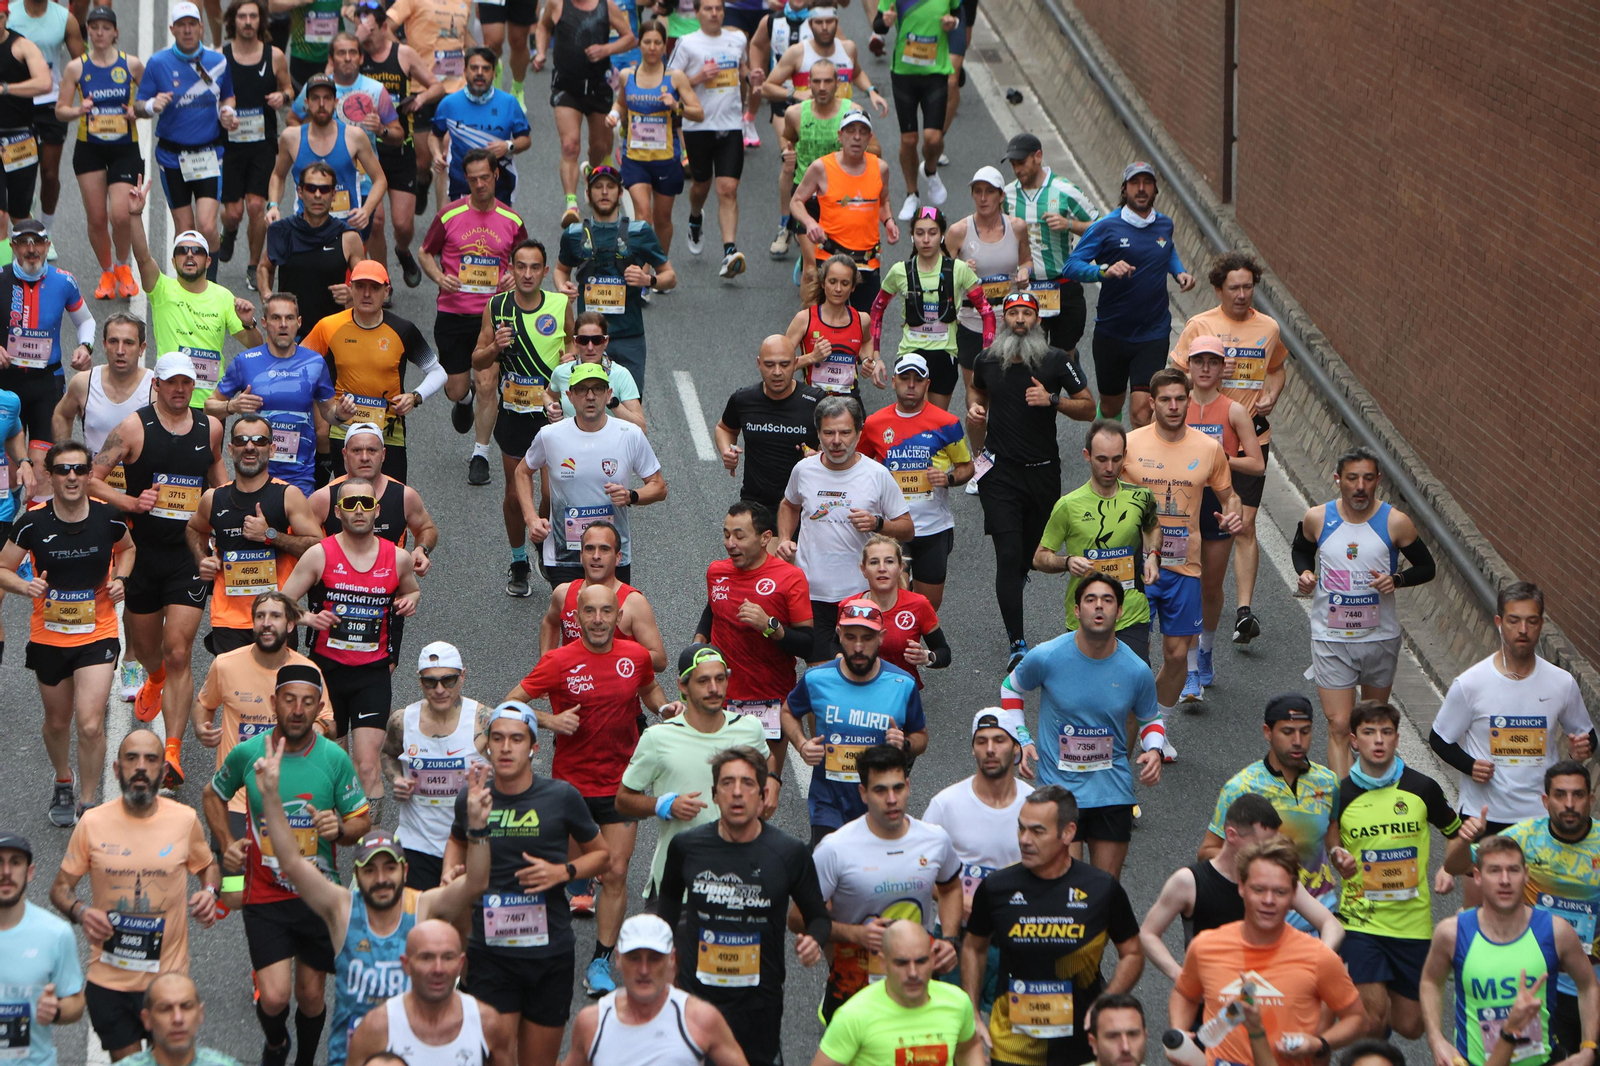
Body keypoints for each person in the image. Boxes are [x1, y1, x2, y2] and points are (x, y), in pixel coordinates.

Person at [255, 732, 491, 1066]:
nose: (381, 879)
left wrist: (478, 829)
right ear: (358, 876)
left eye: (389, 868)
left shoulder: (423, 906)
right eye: (370, 870)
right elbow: (292, 863)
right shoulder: (342, 910)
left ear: (405, 871)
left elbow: (477, 882)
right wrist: (270, 796)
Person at [203, 663, 371, 1066]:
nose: (297, 710)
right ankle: (276, 1043)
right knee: (276, 996)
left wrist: (341, 829)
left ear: (319, 709)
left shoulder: (333, 758)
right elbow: (213, 795)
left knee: (311, 996)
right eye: (290, 701)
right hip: (263, 891)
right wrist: (226, 842)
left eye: (308, 703)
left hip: (317, 895)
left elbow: (361, 820)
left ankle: (304, 1061)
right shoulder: (249, 751)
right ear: (274, 702)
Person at [508, 584, 673, 993]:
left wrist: (664, 707)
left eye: (606, 612)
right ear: (576, 618)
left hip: (621, 785)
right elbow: (511, 706)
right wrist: (549, 721)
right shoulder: (558, 661)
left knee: (616, 871)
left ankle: (600, 961)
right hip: (569, 789)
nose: (598, 620)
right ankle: (560, 921)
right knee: (563, 869)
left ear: (618, 618)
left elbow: (648, 687)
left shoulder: (634, 656)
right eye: (589, 613)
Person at [438, 703, 609, 1066]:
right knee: (494, 1058)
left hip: (549, 952)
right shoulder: (473, 797)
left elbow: (601, 856)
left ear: (533, 747)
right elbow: (457, 838)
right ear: (487, 746)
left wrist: (563, 872)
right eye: (497, 738)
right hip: (491, 952)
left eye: (516, 739)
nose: (505, 747)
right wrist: (451, 868)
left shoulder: (562, 797)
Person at [89, 353, 228, 789]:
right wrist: (131, 504)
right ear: (158, 385)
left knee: (180, 650)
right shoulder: (133, 427)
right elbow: (92, 478)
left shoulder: (211, 429)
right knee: (151, 651)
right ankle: (154, 678)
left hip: (188, 554)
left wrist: (226, 527)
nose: (180, 390)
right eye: (171, 383)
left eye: (187, 383)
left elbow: (218, 483)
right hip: (143, 555)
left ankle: (172, 751)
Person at [49, 731, 219, 1062]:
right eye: (131, 759)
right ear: (116, 769)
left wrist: (210, 893)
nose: (140, 767)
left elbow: (207, 867)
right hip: (109, 981)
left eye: (151, 759)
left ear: (162, 771)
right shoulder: (92, 823)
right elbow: (59, 889)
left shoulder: (184, 820)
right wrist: (82, 912)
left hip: (167, 983)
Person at [654, 745, 829, 1066]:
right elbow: (666, 904)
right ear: (714, 794)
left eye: (747, 784)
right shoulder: (687, 847)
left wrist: (813, 941)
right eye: (727, 783)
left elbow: (818, 917)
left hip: (758, 1002)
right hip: (697, 995)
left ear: (763, 795)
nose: (737, 793)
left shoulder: (788, 853)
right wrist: (666, 958)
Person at [961, 785, 1144, 1066]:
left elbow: (1132, 953)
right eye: (1021, 829)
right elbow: (974, 948)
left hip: (1080, 1047)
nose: (1024, 840)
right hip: (1013, 1048)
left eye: (1037, 831)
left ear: (1068, 833)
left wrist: (1106, 1002)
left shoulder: (1101, 888)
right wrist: (972, 1012)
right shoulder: (997, 888)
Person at [0, 440, 131, 825]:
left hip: (98, 631)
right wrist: (24, 587)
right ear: (51, 477)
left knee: (90, 722)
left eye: (78, 469)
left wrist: (121, 578)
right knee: (58, 722)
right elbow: (3, 568)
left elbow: (127, 549)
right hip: (50, 635)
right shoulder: (32, 522)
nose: (72, 477)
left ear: (90, 474)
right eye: (63, 470)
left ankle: (89, 802)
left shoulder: (109, 518)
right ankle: (63, 779)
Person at [999, 573, 1160, 876]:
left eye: (1108, 600)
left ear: (1120, 612)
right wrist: (1021, 738)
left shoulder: (1136, 670)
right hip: (1059, 794)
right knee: (1065, 888)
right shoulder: (1048, 656)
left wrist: (1154, 751)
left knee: (1103, 894)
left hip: (1112, 793)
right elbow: (1011, 688)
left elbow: (1150, 718)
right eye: (1090, 600)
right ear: (1077, 611)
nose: (1099, 607)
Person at [965, 292, 1093, 667]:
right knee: (1007, 555)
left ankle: (1021, 571)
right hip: (999, 474)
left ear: (1037, 320)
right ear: (1004, 319)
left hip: (1042, 473)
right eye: (1013, 313)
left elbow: (1089, 408)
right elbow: (978, 388)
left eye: (1027, 313)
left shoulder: (1056, 361)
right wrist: (976, 408)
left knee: (1032, 554)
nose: (1020, 319)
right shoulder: (987, 359)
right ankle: (1017, 643)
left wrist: (1052, 400)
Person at [281, 474, 423, 807]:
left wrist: (412, 599)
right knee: (330, 763)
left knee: (368, 765)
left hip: (372, 674)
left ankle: (369, 848)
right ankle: (324, 836)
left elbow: (412, 588)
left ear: (377, 510)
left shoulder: (398, 557)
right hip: (326, 672)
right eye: (349, 504)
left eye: (366, 504)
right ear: (338, 514)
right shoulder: (319, 555)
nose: (358, 511)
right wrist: (307, 618)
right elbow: (281, 601)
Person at [1292, 447, 1435, 775]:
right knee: (1340, 724)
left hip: (1379, 639)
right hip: (1331, 638)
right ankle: (1344, 801)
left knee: (1372, 725)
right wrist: (1305, 573)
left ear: (1378, 481)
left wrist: (1396, 579)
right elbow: (1301, 548)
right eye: (1352, 478)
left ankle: (1371, 784)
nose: (1360, 486)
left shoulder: (1396, 522)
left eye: (1368, 479)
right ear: (1338, 480)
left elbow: (1427, 567)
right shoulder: (1318, 517)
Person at [1327, 701, 1465, 1041]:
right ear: (1354, 741)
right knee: (1372, 1020)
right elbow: (1331, 846)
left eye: (1386, 732)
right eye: (1369, 732)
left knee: (1411, 1026)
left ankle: (1359, 1014)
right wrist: (1337, 858)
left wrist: (1449, 867)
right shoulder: (1340, 795)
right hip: (1360, 922)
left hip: (1412, 927)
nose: (1379, 740)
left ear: (1397, 739)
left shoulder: (1422, 789)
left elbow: (1456, 834)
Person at [1170, 251, 1289, 645]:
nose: (1242, 295)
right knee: (1200, 522)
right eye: (1234, 287)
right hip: (1200, 439)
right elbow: (1174, 375)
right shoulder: (1200, 325)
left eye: (1248, 287)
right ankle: (1195, 596)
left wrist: (1271, 394)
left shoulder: (1268, 327)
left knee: (1246, 524)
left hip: (1248, 436)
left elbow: (1276, 368)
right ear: (1219, 289)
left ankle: (1243, 612)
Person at [1443, 761, 1600, 1057]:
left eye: (1578, 795)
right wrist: (1465, 839)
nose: (1569, 804)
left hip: (1591, 979)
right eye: (1560, 795)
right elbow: (1456, 865)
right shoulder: (1525, 838)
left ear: (1591, 799)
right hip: (1541, 982)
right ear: (1545, 800)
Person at [1171, 838, 1366, 1066]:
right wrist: (1179, 1031)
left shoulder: (1318, 956)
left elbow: (1357, 1019)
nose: (1268, 901)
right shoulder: (1206, 946)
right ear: (1242, 887)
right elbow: (1185, 994)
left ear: (1294, 894)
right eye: (1259, 889)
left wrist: (1319, 1043)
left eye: (1280, 892)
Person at [1120, 367, 1241, 713]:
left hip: (1185, 567)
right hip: (1136, 566)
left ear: (1188, 401)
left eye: (1179, 399)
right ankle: (1144, 726)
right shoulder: (1130, 445)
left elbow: (1229, 495)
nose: (1173, 406)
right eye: (1165, 399)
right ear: (1152, 404)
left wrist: (1234, 513)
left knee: (1175, 656)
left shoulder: (1208, 448)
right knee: (1132, 656)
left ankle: (1157, 725)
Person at [1430, 581, 1592, 837]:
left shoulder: (1562, 683)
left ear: (1541, 624)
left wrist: (1578, 751)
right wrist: (1470, 765)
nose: (1523, 630)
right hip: (1483, 814)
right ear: (1499, 622)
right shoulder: (1471, 683)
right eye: (1514, 621)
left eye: (1531, 621)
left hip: (1540, 815)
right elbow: (1439, 738)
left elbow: (1587, 736)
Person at [1421, 834, 1600, 1066]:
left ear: (1526, 875)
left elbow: (1588, 984)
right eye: (1494, 871)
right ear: (1477, 876)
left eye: (1513, 870)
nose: (1504, 880)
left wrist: (1588, 1047)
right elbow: (1430, 982)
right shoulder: (1452, 933)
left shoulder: (1556, 931)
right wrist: (1436, 1039)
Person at [813, 745, 961, 1021]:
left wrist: (950, 940)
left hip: (917, 979)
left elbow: (951, 887)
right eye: (880, 791)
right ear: (863, 793)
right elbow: (799, 918)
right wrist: (855, 935)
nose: (891, 799)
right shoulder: (835, 848)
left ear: (908, 786)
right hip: (854, 986)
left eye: (898, 788)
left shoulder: (935, 840)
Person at [617, 644, 773, 901]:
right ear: (683, 685)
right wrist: (663, 805)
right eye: (703, 681)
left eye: (720, 679)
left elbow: (764, 776)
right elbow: (623, 801)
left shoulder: (750, 730)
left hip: (738, 883)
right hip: (677, 885)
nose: (714, 689)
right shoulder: (658, 738)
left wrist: (770, 787)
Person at [1140, 794, 1343, 982]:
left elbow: (1331, 925)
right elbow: (1148, 933)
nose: (1267, 852)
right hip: (1208, 1003)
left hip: (1264, 1000)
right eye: (1261, 844)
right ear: (1231, 835)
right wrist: (1181, 977)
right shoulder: (1189, 882)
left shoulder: (1277, 881)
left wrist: (1315, 965)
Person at [417, 148, 528, 486]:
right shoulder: (450, 215)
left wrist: (513, 274)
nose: (480, 184)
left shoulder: (511, 220)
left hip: (494, 315)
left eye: (485, 177)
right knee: (456, 387)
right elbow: (424, 252)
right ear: (466, 180)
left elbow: (525, 259)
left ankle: (480, 454)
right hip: (453, 313)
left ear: (496, 175)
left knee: (488, 384)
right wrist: (439, 278)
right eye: (473, 178)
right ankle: (461, 401)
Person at [470, 238, 574, 593]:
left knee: (549, 492)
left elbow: (572, 345)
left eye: (535, 268)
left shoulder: (560, 305)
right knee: (515, 496)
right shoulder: (497, 306)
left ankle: (542, 540)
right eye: (521, 267)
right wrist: (494, 347)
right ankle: (518, 560)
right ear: (511, 270)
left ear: (545, 272)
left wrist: (570, 359)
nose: (527, 274)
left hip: (551, 414)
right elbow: (477, 360)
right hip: (514, 415)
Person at [191, 590, 335, 843]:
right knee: (234, 879)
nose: (266, 622)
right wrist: (201, 728)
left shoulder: (307, 671)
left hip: (290, 798)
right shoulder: (225, 665)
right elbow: (204, 703)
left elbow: (328, 720)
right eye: (260, 616)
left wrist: (319, 729)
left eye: (275, 616)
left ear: (290, 624)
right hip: (237, 800)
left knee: (285, 878)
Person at [776, 395, 910, 662]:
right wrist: (783, 537)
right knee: (820, 673)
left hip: (860, 594)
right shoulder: (804, 470)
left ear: (859, 433)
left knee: (859, 668)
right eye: (829, 433)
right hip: (811, 593)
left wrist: (878, 524)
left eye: (845, 432)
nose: (836, 441)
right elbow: (789, 505)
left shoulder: (877, 474)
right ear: (818, 434)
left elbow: (907, 528)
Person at [781, 599, 928, 844]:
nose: (858, 647)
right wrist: (802, 745)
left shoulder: (902, 684)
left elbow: (921, 737)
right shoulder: (817, 679)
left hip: (880, 804)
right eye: (850, 637)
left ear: (881, 637)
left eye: (867, 638)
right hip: (828, 804)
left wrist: (905, 744)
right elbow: (788, 712)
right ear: (839, 635)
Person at [1063, 162, 1195, 426]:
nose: (1142, 189)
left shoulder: (1164, 225)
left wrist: (1179, 272)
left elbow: (1166, 249)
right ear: (1124, 189)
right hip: (1113, 333)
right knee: (1111, 408)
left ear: (1156, 190)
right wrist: (1103, 270)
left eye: (1147, 183)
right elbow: (1072, 266)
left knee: (1142, 411)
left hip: (1153, 333)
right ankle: (1106, 452)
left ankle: (1137, 466)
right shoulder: (1105, 227)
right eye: (1135, 183)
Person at [514, 362, 666, 587]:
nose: (590, 396)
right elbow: (522, 472)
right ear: (569, 396)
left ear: (609, 394)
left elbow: (658, 486)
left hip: (612, 554)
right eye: (581, 390)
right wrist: (531, 518)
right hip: (564, 554)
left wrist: (632, 496)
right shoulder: (550, 436)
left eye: (598, 389)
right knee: (571, 620)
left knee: (608, 620)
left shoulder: (629, 434)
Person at [185, 413, 324, 654]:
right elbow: (194, 528)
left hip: (277, 616)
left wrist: (271, 535)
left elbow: (318, 548)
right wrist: (202, 558)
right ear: (230, 449)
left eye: (259, 440)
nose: (250, 447)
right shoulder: (214, 498)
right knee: (234, 692)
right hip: (228, 620)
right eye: (241, 441)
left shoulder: (288, 495)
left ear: (271, 449)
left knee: (275, 689)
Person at [1202, 694, 1342, 930]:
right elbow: (1208, 852)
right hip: (1264, 917)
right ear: (1268, 732)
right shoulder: (1241, 788)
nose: (1298, 741)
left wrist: (1339, 854)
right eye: (1287, 732)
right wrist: (1257, 869)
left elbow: (1331, 835)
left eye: (1305, 731)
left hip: (1320, 914)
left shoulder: (1328, 782)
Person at [300, 261, 447, 482]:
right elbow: (298, 365)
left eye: (374, 287)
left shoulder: (403, 329)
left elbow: (438, 372)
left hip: (389, 432)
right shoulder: (328, 326)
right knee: (351, 502)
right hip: (345, 429)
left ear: (386, 291)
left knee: (390, 504)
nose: (366, 294)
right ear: (350, 288)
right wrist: (326, 401)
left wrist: (415, 397)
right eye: (360, 286)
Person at [126, 178, 264, 407]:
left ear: (208, 260)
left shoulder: (223, 296)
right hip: (168, 400)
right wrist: (135, 215)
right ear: (173, 260)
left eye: (197, 251)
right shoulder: (162, 289)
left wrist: (249, 323)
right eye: (182, 251)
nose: (189, 255)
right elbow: (142, 257)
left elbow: (257, 346)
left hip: (211, 404)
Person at [920, 707, 1027, 994]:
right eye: (981, 741)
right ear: (973, 750)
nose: (990, 749)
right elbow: (919, 869)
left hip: (1015, 935)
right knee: (960, 1024)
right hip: (957, 935)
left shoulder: (1034, 805)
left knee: (1009, 1031)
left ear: (1016, 749)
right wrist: (960, 902)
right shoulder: (946, 805)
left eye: (999, 740)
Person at [1034, 419, 1159, 661]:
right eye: (1102, 459)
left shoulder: (1141, 497)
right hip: (1085, 617)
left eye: (1116, 459)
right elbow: (1040, 558)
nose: (1110, 468)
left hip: (1131, 613)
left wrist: (1153, 555)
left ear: (1125, 455)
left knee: (1129, 689)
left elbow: (1153, 528)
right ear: (1087, 456)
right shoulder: (1068, 506)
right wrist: (1067, 562)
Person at [135, 4, 241, 277]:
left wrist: (228, 112)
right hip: (173, 157)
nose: (187, 30)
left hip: (207, 154)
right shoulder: (158, 63)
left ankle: (212, 285)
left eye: (192, 24)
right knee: (185, 232)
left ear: (201, 26)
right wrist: (151, 106)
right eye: (181, 25)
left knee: (206, 227)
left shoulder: (218, 62)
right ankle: (186, 288)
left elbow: (227, 95)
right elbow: (138, 106)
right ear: (172, 30)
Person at [695, 500, 814, 744]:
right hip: (719, 695)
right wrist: (699, 639)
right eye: (727, 535)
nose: (730, 544)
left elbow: (807, 645)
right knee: (721, 778)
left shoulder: (791, 578)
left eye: (740, 536)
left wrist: (770, 625)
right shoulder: (716, 572)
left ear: (765, 538)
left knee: (767, 779)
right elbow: (713, 608)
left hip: (769, 699)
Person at [856, 353, 970, 608]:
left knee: (928, 607)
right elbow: (858, 464)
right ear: (894, 381)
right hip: (893, 529)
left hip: (934, 529)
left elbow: (967, 467)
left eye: (917, 380)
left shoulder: (947, 423)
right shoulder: (875, 424)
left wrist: (948, 478)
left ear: (927, 384)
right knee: (895, 596)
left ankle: (915, 647)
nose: (910, 384)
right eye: (905, 378)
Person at [563, 913, 749, 1066]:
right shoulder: (592, 1023)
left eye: (654, 959)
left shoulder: (701, 1019)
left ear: (671, 960)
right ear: (618, 959)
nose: (644, 970)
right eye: (634, 958)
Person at [207, 294, 349, 494]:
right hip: (253, 473)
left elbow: (329, 415)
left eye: (289, 318)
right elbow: (209, 406)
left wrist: (341, 413)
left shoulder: (315, 362)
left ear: (298, 322)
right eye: (276, 318)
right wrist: (232, 406)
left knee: (295, 526)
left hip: (299, 476)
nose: (283, 324)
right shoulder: (245, 361)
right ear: (264, 323)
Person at [1183, 337, 1263, 691]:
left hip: (1217, 504)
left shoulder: (1234, 410)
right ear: (1189, 366)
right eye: (1198, 361)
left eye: (1212, 362)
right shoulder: (1176, 405)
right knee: (1185, 584)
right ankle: (1187, 670)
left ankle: (1205, 649)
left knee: (1210, 587)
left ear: (1221, 369)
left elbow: (1257, 464)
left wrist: (1218, 459)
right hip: (1181, 505)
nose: (1204, 368)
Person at [379, 641, 490, 890]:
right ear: (420, 681)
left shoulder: (483, 721)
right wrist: (396, 779)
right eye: (430, 682)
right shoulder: (402, 720)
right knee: (420, 922)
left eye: (448, 680)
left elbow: (515, 762)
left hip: (467, 844)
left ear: (462, 677)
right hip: (416, 843)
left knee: (464, 925)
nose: (439, 689)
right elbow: (388, 754)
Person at [554, 164, 675, 389]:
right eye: (598, 187)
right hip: (589, 340)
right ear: (588, 194)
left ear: (620, 193)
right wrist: (563, 287)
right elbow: (561, 269)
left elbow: (669, 275)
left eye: (610, 187)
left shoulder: (640, 232)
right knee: (590, 405)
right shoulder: (574, 234)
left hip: (629, 336)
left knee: (630, 405)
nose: (604, 192)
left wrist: (648, 280)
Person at [56, 5, 144, 300]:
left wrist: (138, 110)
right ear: (88, 32)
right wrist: (77, 110)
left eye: (106, 28)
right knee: (96, 219)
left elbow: (149, 100)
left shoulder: (131, 65)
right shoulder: (76, 68)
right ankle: (107, 272)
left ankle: (123, 266)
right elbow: (60, 110)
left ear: (115, 32)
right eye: (94, 28)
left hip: (124, 149)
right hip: (89, 150)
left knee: (120, 215)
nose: (100, 33)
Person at [353, 0, 443, 285]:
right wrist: (356, 40)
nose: (364, 34)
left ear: (384, 26)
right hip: (367, 151)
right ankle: (383, 282)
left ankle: (402, 251)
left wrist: (420, 99)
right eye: (359, 27)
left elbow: (437, 86)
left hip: (400, 146)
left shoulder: (402, 54)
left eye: (369, 28)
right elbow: (334, 77)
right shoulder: (353, 55)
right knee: (376, 221)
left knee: (403, 225)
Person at [869, 207, 988, 409]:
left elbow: (986, 311)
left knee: (935, 424)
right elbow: (877, 309)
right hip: (911, 353)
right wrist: (876, 356)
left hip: (944, 355)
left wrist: (986, 351)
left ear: (942, 235)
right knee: (911, 419)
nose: (926, 239)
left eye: (932, 233)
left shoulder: (958, 269)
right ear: (912, 236)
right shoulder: (900, 271)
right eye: (920, 233)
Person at [815, 920, 980, 1066]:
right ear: (882, 963)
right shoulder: (854, 1015)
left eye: (921, 961)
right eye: (902, 963)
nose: (913, 972)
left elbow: (969, 1048)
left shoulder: (957, 1003)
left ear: (933, 959)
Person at [666, 0, 751, 278]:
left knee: (728, 189)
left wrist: (751, 76)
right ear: (698, 13)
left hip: (731, 125)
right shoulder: (688, 43)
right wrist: (699, 77)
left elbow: (743, 71)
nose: (714, 13)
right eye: (708, 9)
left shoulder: (737, 39)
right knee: (701, 186)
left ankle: (729, 251)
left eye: (718, 8)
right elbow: (668, 84)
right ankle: (694, 217)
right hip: (698, 126)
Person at [346, 920, 508, 1066]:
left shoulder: (487, 1023)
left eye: (447, 958)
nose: (438, 969)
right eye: (426, 958)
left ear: (460, 964)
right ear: (406, 964)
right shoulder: (377, 1027)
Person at [535, 0, 636, 225]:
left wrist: (606, 49)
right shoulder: (557, 4)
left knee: (601, 146)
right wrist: (541, 52)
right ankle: (571, 205)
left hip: (599, 85)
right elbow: (543, 27)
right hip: (566, 86)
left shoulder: (607, 5)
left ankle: (592, 170)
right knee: (570, 145)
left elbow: (630, 37)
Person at [609, 21, 703, 257]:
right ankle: (644, 272)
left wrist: (677, 105)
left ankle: (660, 264)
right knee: (643, 215)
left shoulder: (676, 78)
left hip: (666, 159)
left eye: (657, 42)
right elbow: (621, 104)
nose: (652, 47)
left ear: (664, 47)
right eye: (647, 42)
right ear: (639, 45)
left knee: (662, 220)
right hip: (635, 158)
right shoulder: (626, 76)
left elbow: (699, 113)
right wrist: (613, 115)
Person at [307, 424, 440, 588]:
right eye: (356, 451)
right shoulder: (324, 498)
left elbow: (427, 528)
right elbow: (301, 542)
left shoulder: (404, 496)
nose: (364, 457)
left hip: (386, 599)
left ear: (383, 454)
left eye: (372, 450)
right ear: (345, 455)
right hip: (334, 600)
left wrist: (421, 549)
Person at [1000, 133, 1097, 357]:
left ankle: (1071, 386)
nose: (1017, 170)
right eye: (1013, 165)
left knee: (1064, 354)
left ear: (1038, 156)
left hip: (1063, 285)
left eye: (1021, 163)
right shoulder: (1006, 195)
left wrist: (1070, 224)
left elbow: (1102, 227)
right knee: (1029, 356)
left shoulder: (1064, 190)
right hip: (1027, 288)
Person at [792, 109, 896, 313]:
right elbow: (796, 200)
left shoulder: (880, 168)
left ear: (870, 137)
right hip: (831, 257)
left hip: (867, 261)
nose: (856, 137)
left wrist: (889, 221)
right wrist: (810, 223)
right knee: (827, 323)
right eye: (850, 131)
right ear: (840, 136)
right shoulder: (821, 167)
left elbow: (883, 201)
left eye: (863, 131)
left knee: (865, 325)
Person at [219, 0, 292, 290]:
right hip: (231, 143)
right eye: (242, 16)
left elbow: (289, 88)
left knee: (256, 206)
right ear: (232, 21)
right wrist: (224, 114)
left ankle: (253, 264)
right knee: (234, 212)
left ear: (260, 21)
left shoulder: (273, 56)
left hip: (263, 142)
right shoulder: (220, 57)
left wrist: (282, 98)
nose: (248, 22)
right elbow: (212, 96)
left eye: (253, 16)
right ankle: (230, 230)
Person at [0, 221, 95, 442]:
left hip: (47, 381)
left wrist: (85, 346)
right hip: (5, 381)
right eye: (24, 243)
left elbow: (86, 321)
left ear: (47, 245)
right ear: (13, 247)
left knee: (46, 469)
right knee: (10, 469)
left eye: (38, 243)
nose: (31, 250)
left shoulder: (64, 281)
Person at [376, 0, 472, 215]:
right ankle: (422, 179)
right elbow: (387, 26)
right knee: (422, 161)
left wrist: (481, 52)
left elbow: (462, 36)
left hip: (456, 88)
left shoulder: (465, 2)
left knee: (446, 155)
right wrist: (404, 58)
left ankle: (443, 224)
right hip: (422, 88)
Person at [0, 830, 86, 1066]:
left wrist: (56, 1011)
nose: (6, 872)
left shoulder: (55, 933)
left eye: (15, 862)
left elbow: (76, 1003)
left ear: (30, 872)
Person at [266, 74, 387, 241]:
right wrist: (273, 206)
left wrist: (366, 210)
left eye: (327, 98)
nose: (322, 104)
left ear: (336, 103)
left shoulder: (354, 137)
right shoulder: (291, 138)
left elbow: (380, 179)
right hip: (305, 232)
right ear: (306, 104)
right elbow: (278, 175)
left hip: (345, 233)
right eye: (315, 98)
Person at [945, 166, 1031, 398]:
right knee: (977, 395)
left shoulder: (1017, 227)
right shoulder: (958, 231)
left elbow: (1026, 260)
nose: (983, 198)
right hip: (973, 323)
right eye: (978, 191)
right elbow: (939, 277)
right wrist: (959, 270)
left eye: (989, 192)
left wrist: (1025, 272)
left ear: (1001, 196)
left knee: (1013, 392)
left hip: (1011, 321)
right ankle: (979, 436)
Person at [538, 521, 668, 671]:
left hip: (617, 693)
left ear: (618, 557)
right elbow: (550, 623)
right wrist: (546, 665)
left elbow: (659, 660)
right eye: (589, 549)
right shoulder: (563, 593)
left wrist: (616, 657)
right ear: (581, 556)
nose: (596, 556)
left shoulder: (633, 603)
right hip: (572, 692)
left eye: (604, 549)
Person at [256, 162, 364, 337]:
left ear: (334, 194)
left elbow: (366, 283)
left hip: (332, 333)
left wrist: (352, 293)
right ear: (300, 192)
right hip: (290, 335)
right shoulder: (283, 231)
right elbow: (264, 267)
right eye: (311, 188)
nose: (318, 195)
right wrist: (266, 293)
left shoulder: (348, 237)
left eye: (324, 189)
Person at [716, 336, 823, 510]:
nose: (777, 372)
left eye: (785, 364)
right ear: (759, 363)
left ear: (796, 363)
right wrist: (726, 450)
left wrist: (820, 457)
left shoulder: (816, 402)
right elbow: (724, 428)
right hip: (755, 503)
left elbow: (839, 445)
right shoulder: (744, 399)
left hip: (802, 504)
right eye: (769, 364)